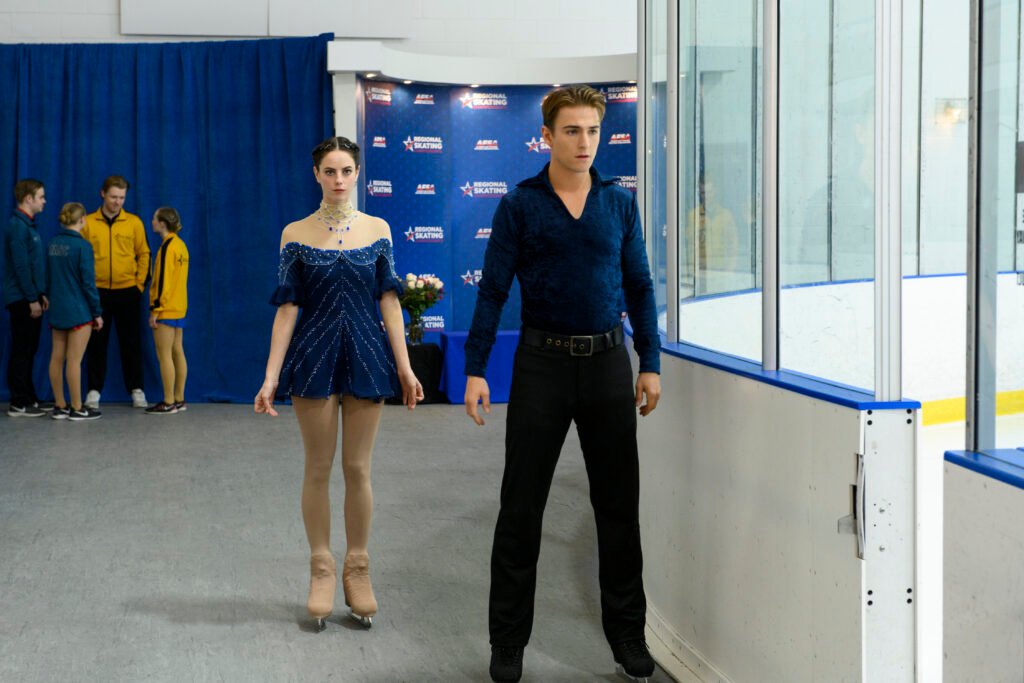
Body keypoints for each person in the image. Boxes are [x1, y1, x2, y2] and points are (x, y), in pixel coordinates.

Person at [463, 85, 662, 683]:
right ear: (546, 136)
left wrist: (648, 359)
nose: (584, 142)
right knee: (520, 510)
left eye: (593, 131)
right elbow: (493, 290)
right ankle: (507, 645)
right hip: (540, 368)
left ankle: (628, 637)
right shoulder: (519, 206)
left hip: (607, 368)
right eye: (571, 131)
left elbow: (641, 287)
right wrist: (475, 367)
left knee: (618, 512)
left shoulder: (618, 205)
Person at [254, 136, 424, 632]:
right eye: (330, 171)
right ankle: (321, 568)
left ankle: (358, 567)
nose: (339, 180)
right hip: (312, 358)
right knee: (317, 468)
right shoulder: (295, 233)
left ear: (357, 173)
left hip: (368, 358)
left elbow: (390, 301)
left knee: (358, 469)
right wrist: (270, 377)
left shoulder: (378, 229)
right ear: (317, 175)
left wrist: (406, 367)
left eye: (346, 170)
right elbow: (287, 308)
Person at [81, 175, 150, 409]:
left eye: (121, 197)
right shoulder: (88, 223)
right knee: (96, 344)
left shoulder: (134, 223)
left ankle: (136, 389)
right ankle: (93, 390)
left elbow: (144, 254)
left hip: (128, 292)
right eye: (113, 197)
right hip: (97, 292)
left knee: (131, 343)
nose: (117, 202)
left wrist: (139, 284)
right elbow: (79, 257)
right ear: (102, 194)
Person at [46, 203, 103, 421]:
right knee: (74, 360)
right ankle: (78, 407)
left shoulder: (53, 243)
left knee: (56, 357)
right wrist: (97, 312)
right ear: (82, 221)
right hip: (79, 310)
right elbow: (88, 283)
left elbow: (48, 277)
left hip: (58, 308)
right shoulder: (83, 247)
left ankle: (60, 405)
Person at [3, 179, 49, 417]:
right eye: (41, 197)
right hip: (21, 298)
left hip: (31, 296)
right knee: (22, 348)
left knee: (30, 348)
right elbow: (21, 267)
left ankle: (29, 396)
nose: (44, 201)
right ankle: (18, 401)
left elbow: (33, 266)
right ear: (28, 199)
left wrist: (40, 294)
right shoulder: (17, 227)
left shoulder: (29, 227)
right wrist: (31, 298)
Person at [145, 207, 189, 415]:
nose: (152, 221)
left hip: (166, 309)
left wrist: (156, 308)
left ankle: (168, 401)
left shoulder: (167, 247)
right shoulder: (181, 245)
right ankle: (179, 399)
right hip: (180, 307)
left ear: (162, 223)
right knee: (177, 351)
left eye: (154, 218)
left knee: (164, 354)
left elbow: (163, 281)